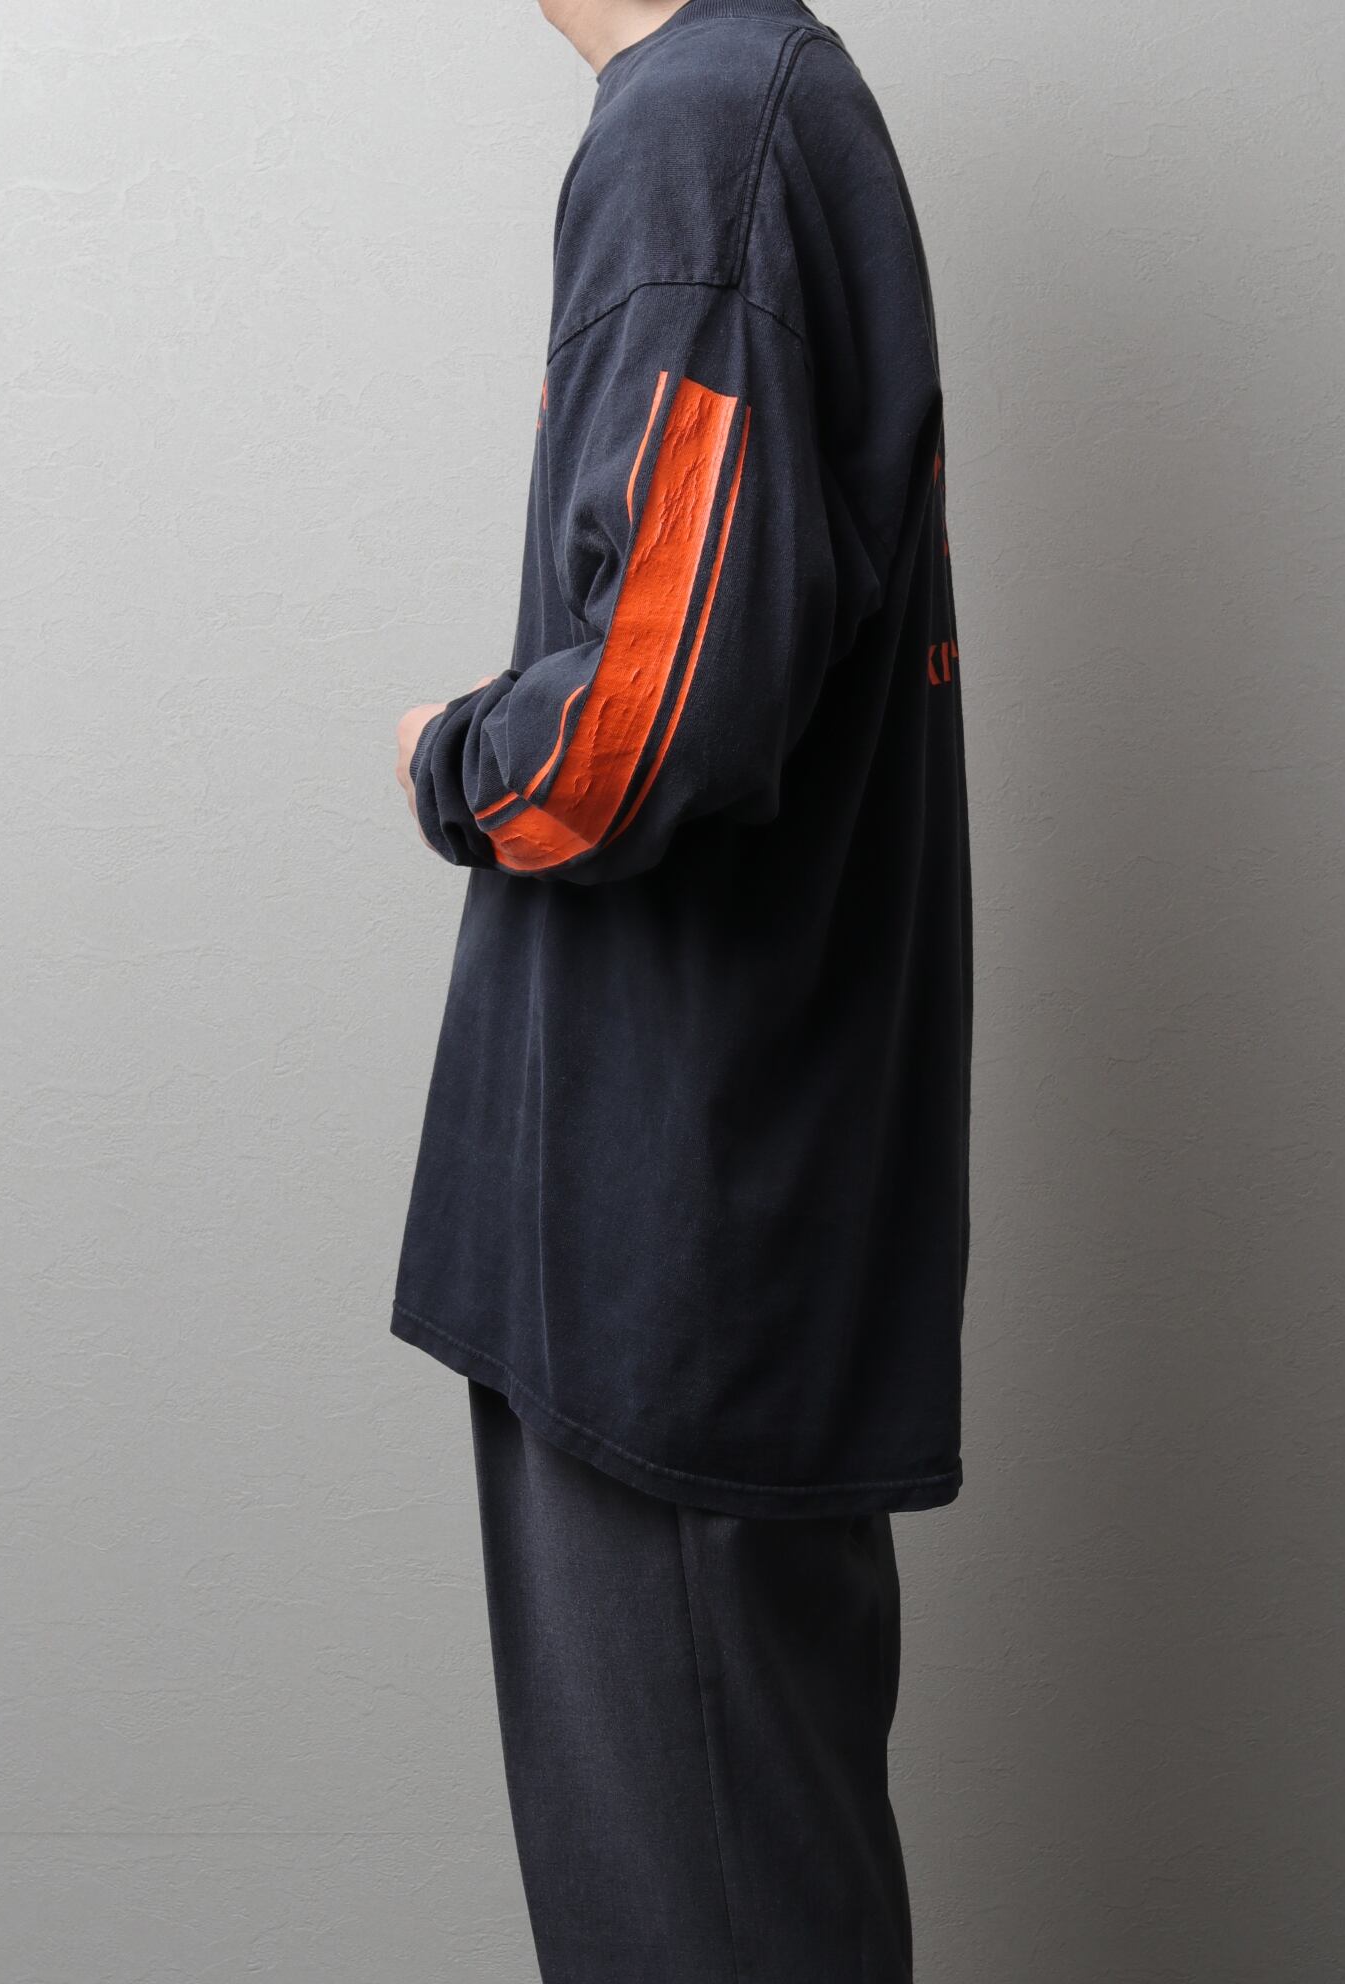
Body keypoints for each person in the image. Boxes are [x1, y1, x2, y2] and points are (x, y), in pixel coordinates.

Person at [390, 1, 971, 1975]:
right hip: (696, 1206)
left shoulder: (706, 131)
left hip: (669, 1233)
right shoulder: (746, 109)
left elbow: (654, 719)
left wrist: (451, 756)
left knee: (703, 1922)